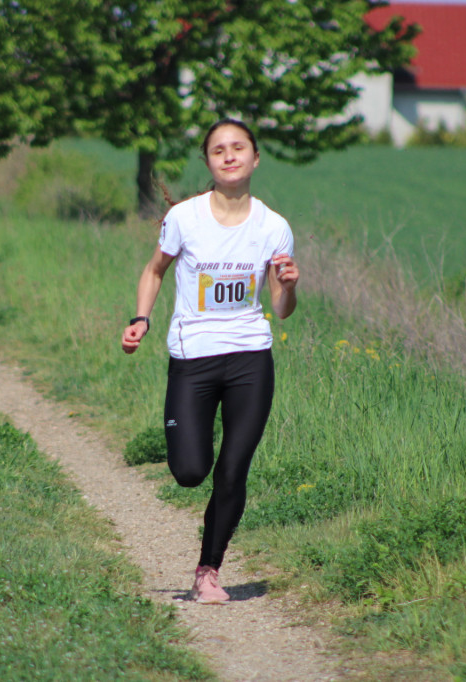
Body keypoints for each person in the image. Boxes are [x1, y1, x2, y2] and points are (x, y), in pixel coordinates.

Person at [120, 119, 299, 604]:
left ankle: (208, 571)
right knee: (190, 471)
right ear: (208, 163)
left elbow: (281, 310)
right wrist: (142, 318)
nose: (229, 155)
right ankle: (187, 449)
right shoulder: (186, 218)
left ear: (255, 158)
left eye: (238, 147)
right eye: (218, 150)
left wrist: (290, 283)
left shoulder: (273, 226)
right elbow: (154, 270)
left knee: (233, 469)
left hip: (249, 359)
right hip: (193, 357)